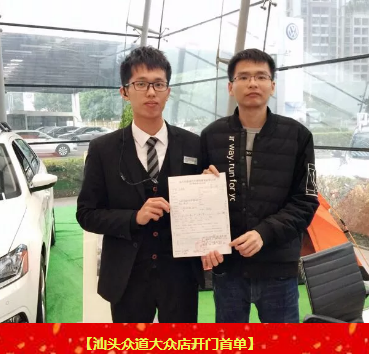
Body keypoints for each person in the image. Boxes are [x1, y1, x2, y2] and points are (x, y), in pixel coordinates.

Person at [76, 46, 203, 323]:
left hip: (180, 276)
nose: (151, 92)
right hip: (127, 276)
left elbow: (206, 207)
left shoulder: (194, 145)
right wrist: (134, 218)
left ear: (168, 91)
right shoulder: (103, 150)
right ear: (124, 92)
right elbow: (86, 214)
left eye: (159, 84)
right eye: (141, 84)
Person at [200, 48, 319, 323]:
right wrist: (202, 189)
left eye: (261, 77)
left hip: (278, 268)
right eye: (243, 77)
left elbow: (306, 200)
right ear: (231, 87)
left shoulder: (298, 136)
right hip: (228, 268)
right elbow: (197, 201)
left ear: (272, 86)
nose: (252, 83)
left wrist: (264, 233)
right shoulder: (212, 136)